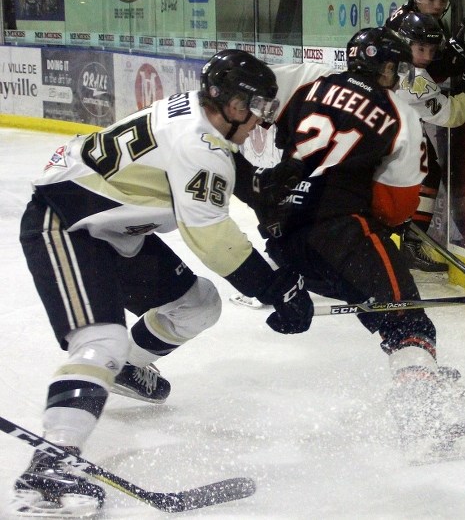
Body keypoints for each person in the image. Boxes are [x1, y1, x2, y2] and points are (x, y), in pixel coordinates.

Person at [11, 49, 313, 517]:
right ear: (227, 102)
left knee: (198, 304)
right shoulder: (200, 145)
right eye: (251, 107)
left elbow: (214, 171)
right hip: (68, 222)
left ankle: (128, 368)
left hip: (113, 226)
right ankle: (51, 464)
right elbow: (211, 238)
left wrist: (256, 189)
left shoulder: (198, 118)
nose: (258, 120)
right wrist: (276, 290)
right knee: (101, 340)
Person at [249, 27, 465, 463]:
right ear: (386, 68)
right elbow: (397, 207)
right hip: (339, 233)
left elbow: (250, 92)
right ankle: (425, 429)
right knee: (408, 321)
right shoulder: (400, 112)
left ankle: (415, 372)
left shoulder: (308, 77)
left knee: (376, 300)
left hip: (279, 236)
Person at [386, 0, 465, 271]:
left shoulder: (416, 22)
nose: (438, 5)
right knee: (422, 171)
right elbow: (428, 83)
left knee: (426, 171)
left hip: (392, 114)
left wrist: (455, 52)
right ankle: (397, 244)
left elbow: (428, 68)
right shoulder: (407, 36)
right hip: (394, 115)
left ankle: (400, 242)